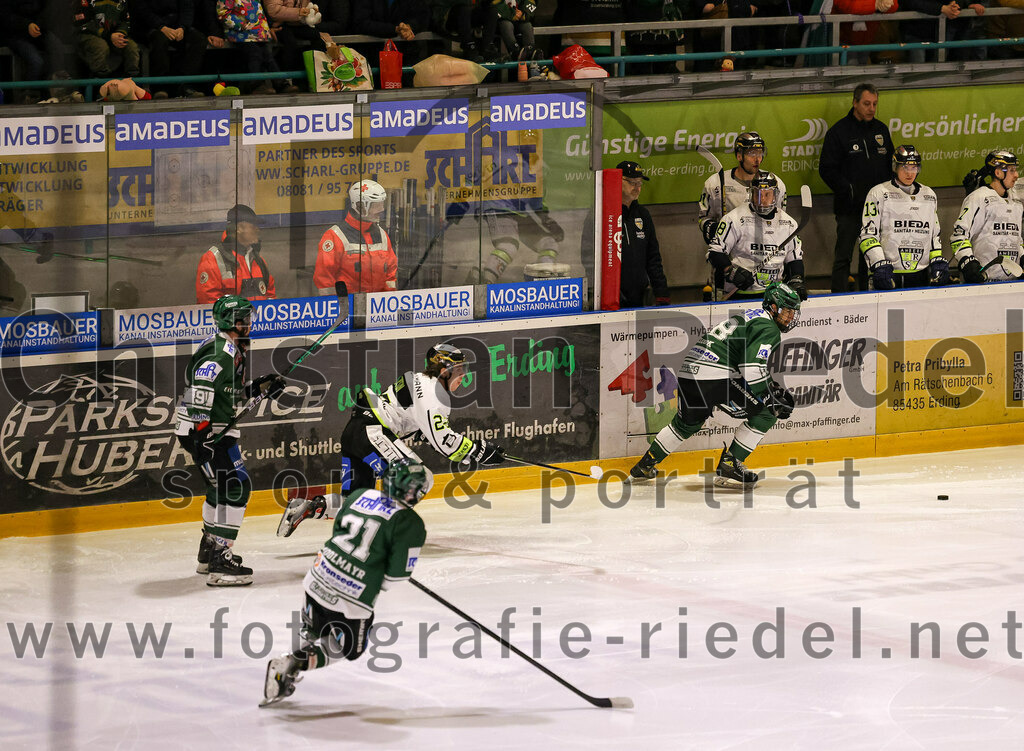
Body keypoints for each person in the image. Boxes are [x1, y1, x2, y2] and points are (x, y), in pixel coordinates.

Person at [276, 343, 505, 537]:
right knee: (417, 477)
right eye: (459, 370)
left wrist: (468, 449)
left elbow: (415, 427)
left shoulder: (420, 381)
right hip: (371, 432)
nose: (463, 376)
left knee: (355, 501)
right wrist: (480, 451)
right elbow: (442, 440)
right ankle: (387, 533)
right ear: (443, 370)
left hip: (357, 432)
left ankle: (308, 507)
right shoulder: (435, 393)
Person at [261, 458, 429, 706]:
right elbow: (395, 577)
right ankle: (293, 663)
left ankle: (286, 672)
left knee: (312, 628)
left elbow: (339, 533)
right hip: (351, 599)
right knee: (347, 648)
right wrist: (370, 571)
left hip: (318, 576)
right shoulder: (410, 523)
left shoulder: (361, 494)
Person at [628, 282, 800, 488]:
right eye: (787, 311)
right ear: (773, 307)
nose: (790, 317)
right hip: (715, 376)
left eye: (793, 312)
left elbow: (743, 363)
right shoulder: (768, 327)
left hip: (688, 373)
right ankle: (731, 462)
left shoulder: (750, 316)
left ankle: (645, 465)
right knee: (767, 412)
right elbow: (752, 366)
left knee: (686, 424)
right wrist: (768, 395)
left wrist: (768, 386)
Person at [174, 295, 287, 586]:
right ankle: (221, 561)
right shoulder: (222, 352)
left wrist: (257, 388)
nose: (248, 322)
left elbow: (226, 389)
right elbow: (201, 386)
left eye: (248, 317)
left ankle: (209, 549)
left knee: (221, 486)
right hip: (209, 431)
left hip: (207, 429)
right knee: (237, 486)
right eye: (242, 318)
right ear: (229, 321)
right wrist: (203, 434)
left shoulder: (230, 346)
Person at [818, 82, 895, 293]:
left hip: (877, 210)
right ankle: (838, 301)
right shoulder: (839, 132)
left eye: (875, 104)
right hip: (849, 208)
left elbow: (890, 167)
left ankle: (867, 298)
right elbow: (826, 169)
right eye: (867, 103)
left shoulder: (881, 129)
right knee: (843, 256)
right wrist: (848, 190)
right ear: (855, 103)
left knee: (870, 257)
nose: (872, 108)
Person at [698, 132, 789, 296]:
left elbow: (780, 224)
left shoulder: (776, 185)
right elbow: (703, 218)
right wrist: (711, 228)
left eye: (760, 153)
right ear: (739, 155)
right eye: (751, 153)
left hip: (766, 266)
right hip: (729, 265)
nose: (757, 159)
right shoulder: (716, 183)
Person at [858, 145, 948, 290]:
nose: (910, 173)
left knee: (921, 313)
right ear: (895, 167)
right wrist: (878, 263)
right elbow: (867, 235)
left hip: (921, 274)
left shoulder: (929, 195)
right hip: (888, 275)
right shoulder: (878, 193)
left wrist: (936, 260)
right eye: (905, 167)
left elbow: (934, 235)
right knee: (894, 313)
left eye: (914, 168)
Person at [706, 170, 807, 300]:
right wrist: (731, 272)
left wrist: (797, 279)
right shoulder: (733, 219)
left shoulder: (789, 224)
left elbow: (795, 259)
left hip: (774, 296)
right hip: (739, 294)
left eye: (767, 194)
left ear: (776, 196)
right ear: (751, 193)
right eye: (757, 194)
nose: (762, 200)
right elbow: (715, 252)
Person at [951, 150, 1023, 283]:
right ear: (998, 173)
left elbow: (1016, 239)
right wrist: (967, 261)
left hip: (1013, 283)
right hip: (984, 283)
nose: (1016, 175)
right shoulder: (978, 198)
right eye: (1011, 170)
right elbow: (959, 235)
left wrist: (1022, 255)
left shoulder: (1016, 203)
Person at [314, 179, 398, 294]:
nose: (381, 209)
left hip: (377, 307)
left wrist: (387, 303)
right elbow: (325, 283)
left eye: (382, 204)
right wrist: (337, 308)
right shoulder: (335, 236)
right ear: (360, 206)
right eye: (376, 205)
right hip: (347, 307)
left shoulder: (382, 235)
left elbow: (390, 275)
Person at [618, 160, 671, 308]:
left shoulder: (643, 215)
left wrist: (661, 292)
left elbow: (653, 257)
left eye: (639, 183)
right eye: (632, 182)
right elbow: (589, 257)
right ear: (617, 181)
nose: (637, 187)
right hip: (611, 298)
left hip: (639, 296)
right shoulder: (602, 213)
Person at [196, 204, 276, 303]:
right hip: (230, 319)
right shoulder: (213, 258)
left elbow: (271, 299)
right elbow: (208, 303)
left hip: (256, 318)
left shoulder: (259, 261)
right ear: (239, 228)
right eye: (253, 226)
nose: (257, 230)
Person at [130, 0, 208, 98]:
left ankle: (186, 85)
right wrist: (161, 26)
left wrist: (182, 27)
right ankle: (160, 88)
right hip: (149, 26)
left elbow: (188, 7)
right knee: (159, 40)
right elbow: (141, 10)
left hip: (176, 26)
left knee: (198, 39)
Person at [73, 0, 142, 80]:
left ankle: (132, 82)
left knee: (131, 47)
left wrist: (120, 33)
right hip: (87, 34)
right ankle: (101, 83)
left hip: (113, 35)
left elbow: (125, 21)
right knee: (100, 46)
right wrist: (109, 36)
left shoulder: (122, 1)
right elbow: (84, 23)